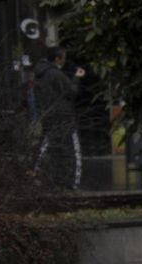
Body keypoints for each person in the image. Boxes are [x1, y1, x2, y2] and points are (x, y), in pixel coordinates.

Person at [33, 47, 84, 190]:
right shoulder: (56, 74)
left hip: (49, 116)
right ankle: (72, 184)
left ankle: (41, 177)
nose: (65, 60)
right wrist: (77, 77)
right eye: (63, 58)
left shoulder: (40, 74)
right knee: (72, 150)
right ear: (57, 59)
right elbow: (72, 92)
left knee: (50, 147)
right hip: (64, 117)